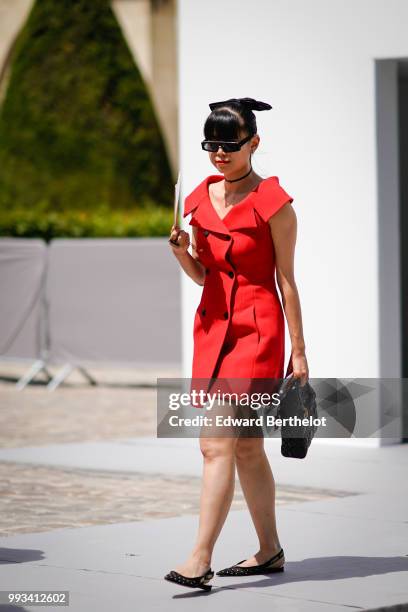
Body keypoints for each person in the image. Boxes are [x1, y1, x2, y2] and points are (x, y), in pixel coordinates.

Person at [165, 97, 309, 591]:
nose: (219, 155)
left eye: (230, 145)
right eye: (211, 145)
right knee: (247, 448)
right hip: (212, 330)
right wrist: (183, 254)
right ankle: (270, 550)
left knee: (214, 444)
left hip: (257, 330)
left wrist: (301, 354)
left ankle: (198, 559)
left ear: (254, 143)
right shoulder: (199, 200)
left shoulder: (275, 204)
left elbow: (286, 282)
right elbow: (205, 275)